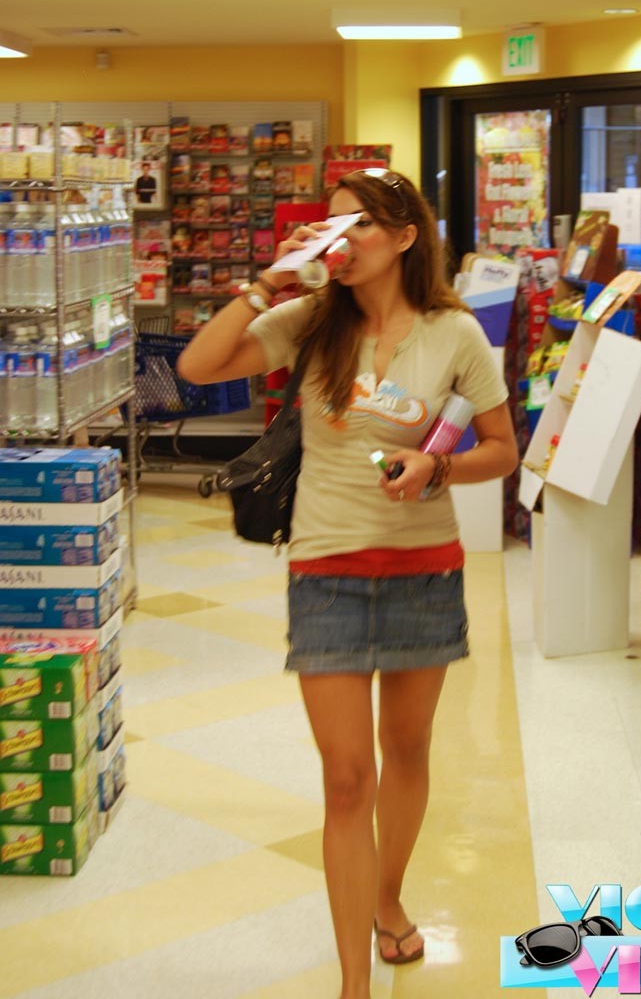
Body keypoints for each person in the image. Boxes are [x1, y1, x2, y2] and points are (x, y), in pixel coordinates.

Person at [178, 168, 519, 999]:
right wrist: (264, 280)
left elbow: (502, 449)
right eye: (332, 227)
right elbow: (197, 364)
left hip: (423, 571)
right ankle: (351, 984)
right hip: (325, 572)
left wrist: (436, 466)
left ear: (404, 237)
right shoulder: (305, 320)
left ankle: (389, 897)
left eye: (360, 224)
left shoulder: (455, 334)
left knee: (406, 750)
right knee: (344, 777)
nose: (342, 240)